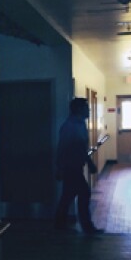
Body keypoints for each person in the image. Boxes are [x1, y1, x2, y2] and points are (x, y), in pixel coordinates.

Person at [54, 97, 102, 234]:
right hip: (71, 166)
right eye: (86, 108)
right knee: (84, 193)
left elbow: (80, 147)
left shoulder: (79, 124)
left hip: (74, 165)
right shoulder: (71, 126)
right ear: (79, 109)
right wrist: (60, 167)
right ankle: (86, 226)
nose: (89, 110)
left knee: (68, 195)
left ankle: (60, 224)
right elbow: (66, 147)